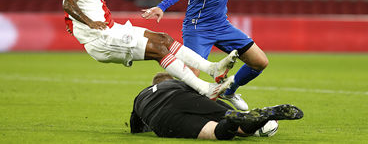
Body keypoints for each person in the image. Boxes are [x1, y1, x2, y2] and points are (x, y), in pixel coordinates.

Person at [62, 0, 238, 100]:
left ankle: (212, 68)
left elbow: (75, 6)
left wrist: (80, 23)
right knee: (158, 50)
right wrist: (89, 22)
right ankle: (206, 89)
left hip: (112, 29)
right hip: (100, 39)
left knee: (164, 39)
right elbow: (68, 3)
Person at [142, 0, 268, 110]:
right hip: (198, 27)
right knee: (191, 78)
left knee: (260, 62)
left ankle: (229, 90)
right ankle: (162, 109)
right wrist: (162, 6)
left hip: (221, 25)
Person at [130, 72, 304, 140]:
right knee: (241, 127)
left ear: (153, 83)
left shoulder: (140, 96)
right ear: (171, 80)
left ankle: (231, 120)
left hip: (163, 117)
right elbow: (204, 92)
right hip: (186, 96)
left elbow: (136, 127)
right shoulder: (179, 84)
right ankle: (257, 115)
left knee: (215, 132)